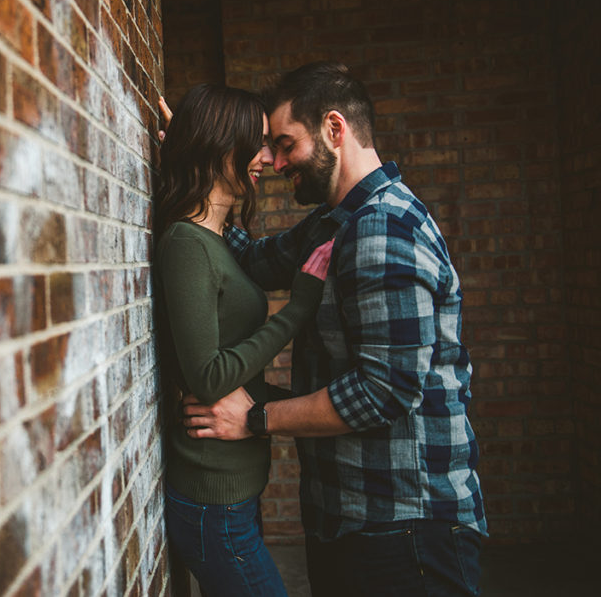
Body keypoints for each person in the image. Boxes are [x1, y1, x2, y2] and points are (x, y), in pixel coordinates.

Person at [177, 62, 487, 596]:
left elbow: (383, 392)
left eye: (284, 144)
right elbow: (254, 259)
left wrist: (255, 419)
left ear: (334, 129)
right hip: (351, 520)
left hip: (406, 529)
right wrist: (206, 158)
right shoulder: (335, 221)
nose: (273, 161)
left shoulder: (383, 228)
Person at [153, 82, 334, 596]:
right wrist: (296, 310)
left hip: (235, 491)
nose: (266, 158)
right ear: (219, 144)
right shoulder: (186, 244)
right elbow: (208, 378)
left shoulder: (214, 240)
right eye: (256, 143)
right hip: (213, 503)